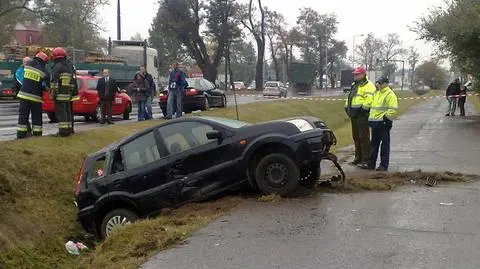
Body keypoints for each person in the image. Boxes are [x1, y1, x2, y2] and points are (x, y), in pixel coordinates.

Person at [344, 66, 376, 169]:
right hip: (354, 114)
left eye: (357, 74)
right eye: (354, 74)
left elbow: (370, 99)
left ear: (363, 74)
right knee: (356, 137)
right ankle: (358, 158)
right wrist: (346, 107)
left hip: (362, 115)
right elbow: (350, 98)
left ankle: (366, 160)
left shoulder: (368, 85)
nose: (355, 75)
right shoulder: (355, 85)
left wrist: (363, 109)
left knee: (364, 138)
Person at [365, 77, 398, 171]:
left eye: (381, 83)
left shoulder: (390, 94)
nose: (378, 84)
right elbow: (374, 108)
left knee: (384, 145)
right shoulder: (377, 93)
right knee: (374, 145)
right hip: (375, 123)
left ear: (386, 84)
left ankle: (383, 165)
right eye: (378, 83)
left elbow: (393, 109)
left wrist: (385, 119)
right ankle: (371, 164)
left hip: (383, 124)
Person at [16, 51, 50, 139]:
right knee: (36, 118)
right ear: (43, 61)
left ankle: (20, 135)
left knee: (23, 116)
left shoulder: (28, 65)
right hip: (36, 97)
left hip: (24, 95)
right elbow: (47, 84)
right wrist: (46, 89)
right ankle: (37, 135)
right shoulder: (44, 70)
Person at [50, 47, 75, 137]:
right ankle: (68, 129)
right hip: (67, 95)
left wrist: (53, 93)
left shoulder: (56, 67)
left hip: (59, 95)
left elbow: (54, 82)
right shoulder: (68, 67)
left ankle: (63, 132)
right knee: (67, 113)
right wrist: (70, 92)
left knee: (61, 114)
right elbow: (72, 82)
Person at [66, 56, 79, 133]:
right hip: (73, 91)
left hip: (68, 92)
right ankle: (71, 128)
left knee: (67, 111)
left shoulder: (67, 65)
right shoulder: (71, 66)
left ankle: (69, 129)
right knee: (70, 110)